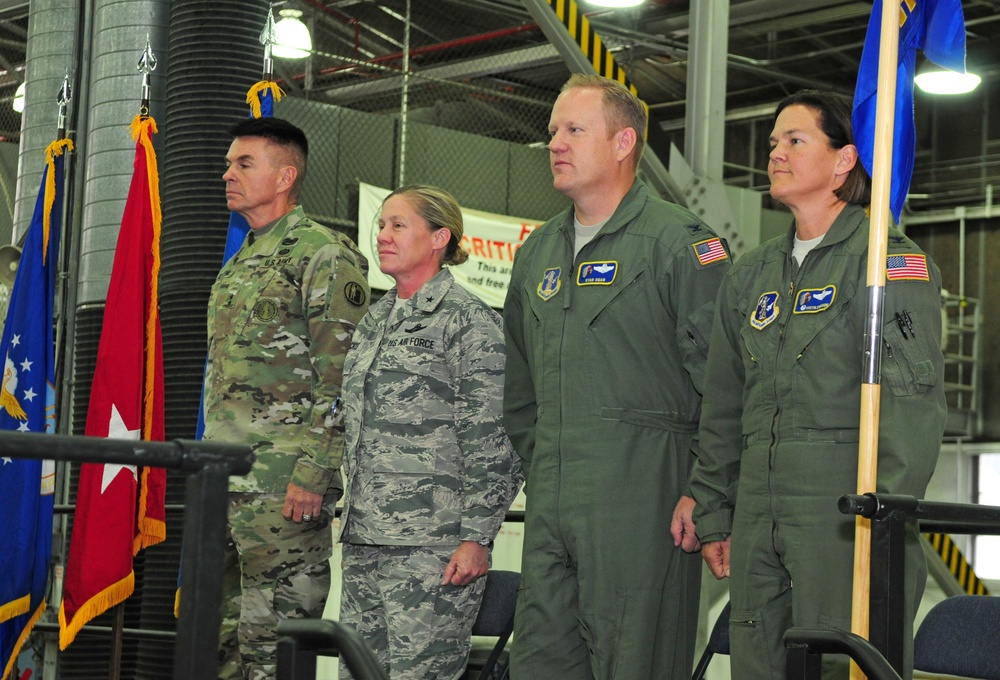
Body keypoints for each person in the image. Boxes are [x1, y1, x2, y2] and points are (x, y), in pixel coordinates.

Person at [687, 90, 946, 678]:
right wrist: (715, 512)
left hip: (845, 517)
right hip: (757, 514)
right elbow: (724, 405)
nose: (775, 152)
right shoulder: (750, 274)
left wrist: (881, 522)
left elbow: (912, 408)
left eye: (794, 140)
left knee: (840, 668)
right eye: (774, 142)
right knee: (756, 666)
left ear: (843, 160)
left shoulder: (885, 263)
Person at [503, 74, 731, 679]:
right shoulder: (538, 252)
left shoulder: (679, 245)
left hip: (646, 497)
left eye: (574, 130)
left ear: (624, 142)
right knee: (540, 662)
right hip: (553, 497)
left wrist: (705, 491)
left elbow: (726, 385)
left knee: (637, 659)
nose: (555, 142)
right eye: (553, 130)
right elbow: (519, 386)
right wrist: (547, 460)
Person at [204, 116, 371, 679]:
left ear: (285, 176)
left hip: (283, 489)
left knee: (273, 646)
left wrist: (314, 473)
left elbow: (343, 377)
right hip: (224, 483)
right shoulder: (240, 262)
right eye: (229, 163)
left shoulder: (323, 254)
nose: (227, 174)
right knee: (219, 641)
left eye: (243, 164)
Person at [338, 184, 522, 680]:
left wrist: (477, 537)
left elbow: (493, 439)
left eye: (399, 225)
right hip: (364, 541)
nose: (383, 236)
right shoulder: (375, 320)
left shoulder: (468, 321)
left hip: (431, 548)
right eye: (381, 225)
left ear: (440, 237)